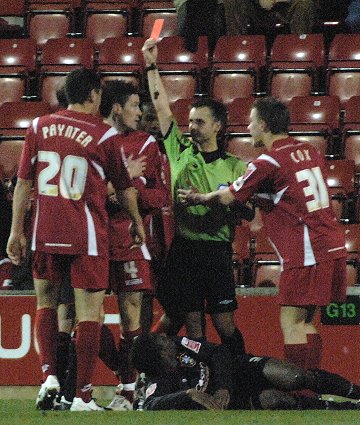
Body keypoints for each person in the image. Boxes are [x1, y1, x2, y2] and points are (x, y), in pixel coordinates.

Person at [6, 68, 145, 412]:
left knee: (45, 303)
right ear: (94, 94)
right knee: (89, 313)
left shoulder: (38, 127)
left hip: (45, 229)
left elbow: (23, 184)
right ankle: (82, 396)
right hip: (86, 235)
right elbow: (125, 188)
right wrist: (137, 222)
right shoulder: (104, 135)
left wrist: (15, 230)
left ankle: (49, 377)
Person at [179, 97, 347, 371]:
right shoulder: (308, 150)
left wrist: (200, 197)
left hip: (306, 249)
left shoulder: (268, 161)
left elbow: (228, 196)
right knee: (305, 323)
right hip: (330, 244)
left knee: (291, 323)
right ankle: (310, 387)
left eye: (252, 122)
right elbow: (289, 195)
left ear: (265, 125)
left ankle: (298, 390)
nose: (248, 128)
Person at [142, 38, 254, 356]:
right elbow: (161, 105)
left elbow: (249, 214)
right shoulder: (179, 150)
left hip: (218, 252)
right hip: (186, 249)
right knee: (192, 324)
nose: (192, 127)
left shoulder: (236, 166)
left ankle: (239, 378)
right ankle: (197, 384)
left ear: (218, 125)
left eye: (200, 122)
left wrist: (223, 201)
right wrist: (151, 65)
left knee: (224, 324)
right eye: (190, 121)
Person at [99, 80, 168, 410]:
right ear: (116, 108)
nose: (140, 112)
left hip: (130, 239)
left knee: (131, 318)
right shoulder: (96, 139)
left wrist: (129, 193)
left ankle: (129, 389)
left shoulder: (147, 144)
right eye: (134, 105)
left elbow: (159, 196)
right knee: (84, 320)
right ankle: (124, 374)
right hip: (93, 239)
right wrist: (121, 179)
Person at [130, 333, 360, 410]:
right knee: (278, 400)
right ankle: (349, 410)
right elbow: (150, 405)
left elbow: (218, 353)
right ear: (159, 354)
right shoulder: (158, 381)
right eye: (161, 340)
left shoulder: (182, 344)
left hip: (237, 371)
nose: (167, 337)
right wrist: (187, 394)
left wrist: (222, 387)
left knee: (296, 376)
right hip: (235, 401)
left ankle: (357, 393)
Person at [223, 0, 318, 35]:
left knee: (305, 3)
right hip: (256, 7)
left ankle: (300, 47)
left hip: (289, 6)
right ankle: (236, 48)